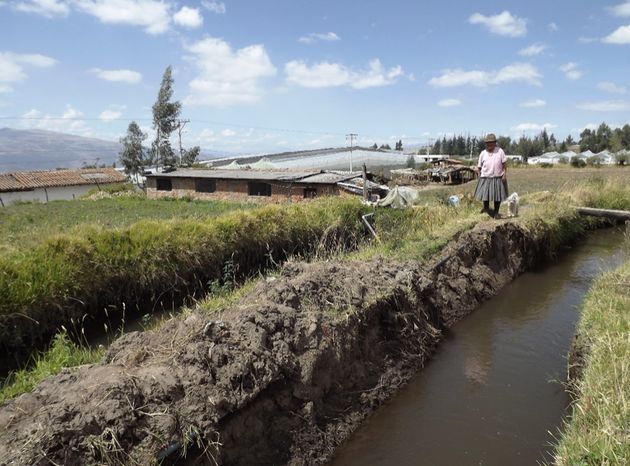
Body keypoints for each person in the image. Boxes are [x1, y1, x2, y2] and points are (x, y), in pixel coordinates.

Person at [474, 133, 507, 218]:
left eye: (491, 142)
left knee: (497, 196)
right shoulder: (483, 153)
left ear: (495, 143)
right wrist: (479, 174)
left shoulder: (500, 151)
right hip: (485, 177)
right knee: (486, 195)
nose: (489, 144)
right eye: (487, 143)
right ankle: (486, 209)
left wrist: (504, 175)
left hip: (497, 177)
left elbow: (504, 164)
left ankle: (496, 213)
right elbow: (479, 166)